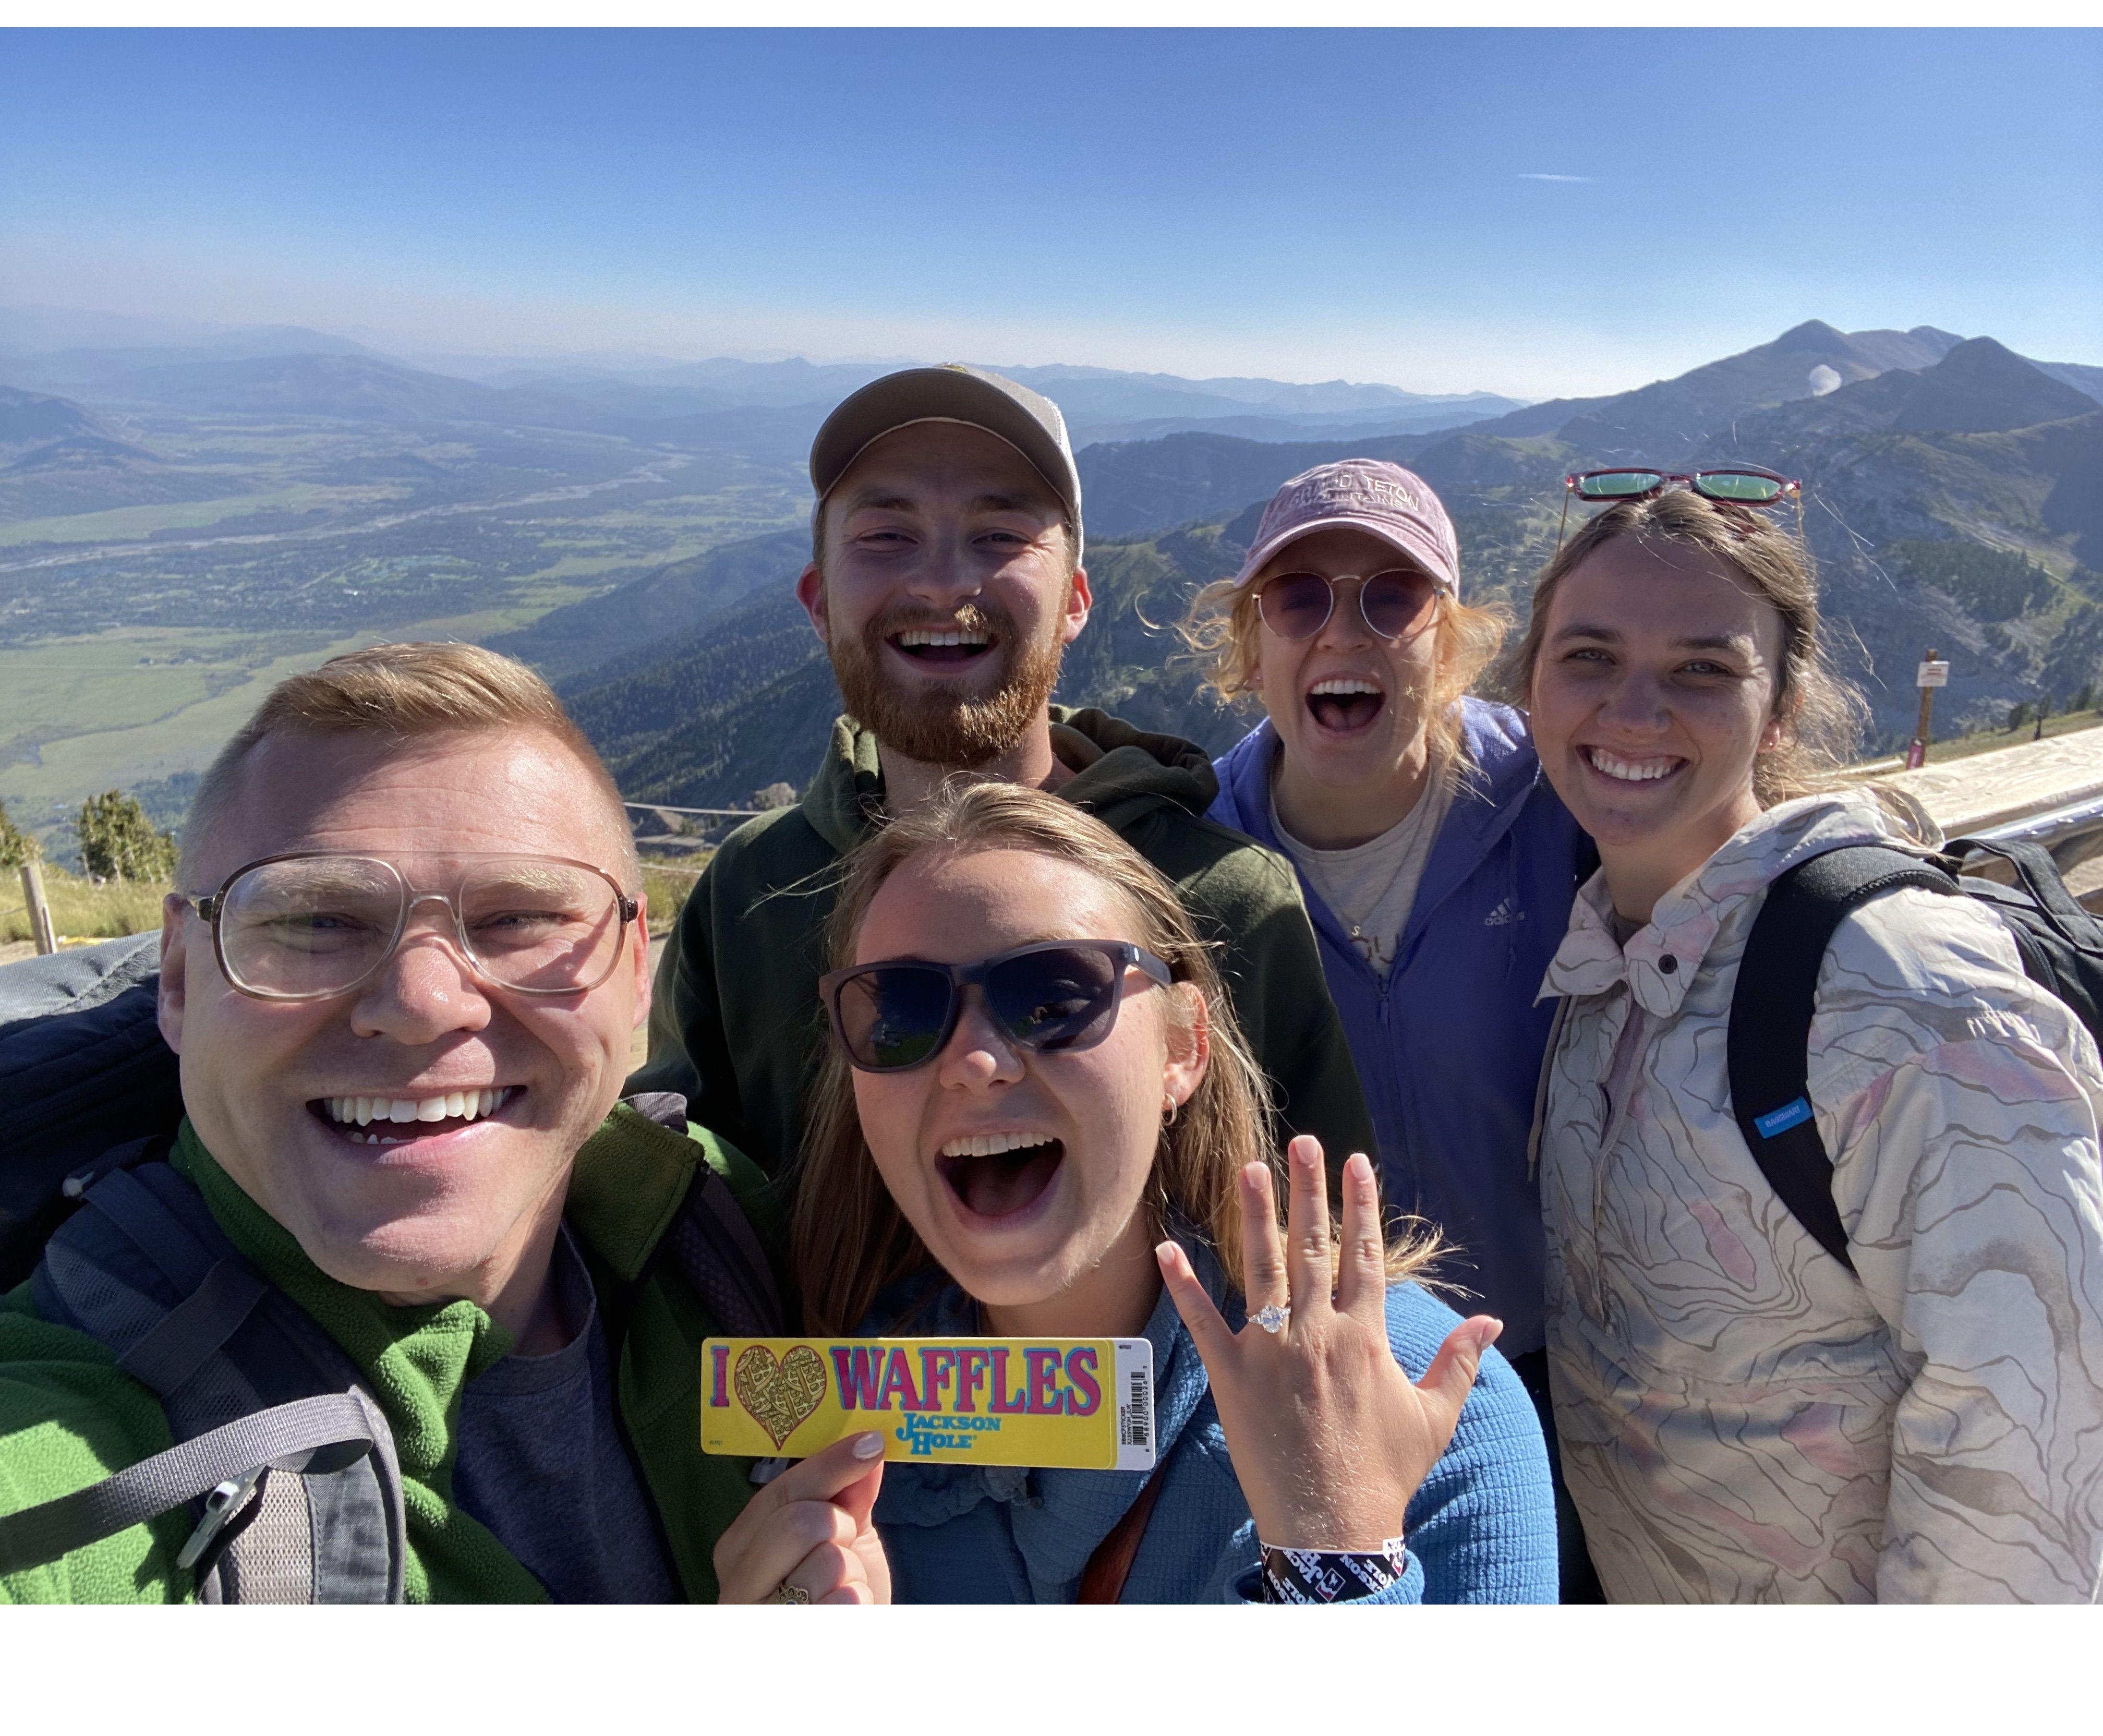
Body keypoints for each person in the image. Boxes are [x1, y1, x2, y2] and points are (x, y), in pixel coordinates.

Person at [0, 642, 865, 1605]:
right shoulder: (56, 1453)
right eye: (316, 918)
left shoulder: (716, 1219)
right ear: (178, 977)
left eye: (518, 918)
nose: (420, 1002)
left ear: (631, 979)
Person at [750, 780, 1557, 1605]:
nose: (975, 1061)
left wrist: (1337, 1548)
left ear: (1182, 1048)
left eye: (1054, 998)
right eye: (903, 1013)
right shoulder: (824, 1437)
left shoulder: (1426, 1399)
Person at [1514, 490, 2103, 1603]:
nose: (1634, 709)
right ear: (1531, 690)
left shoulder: (1902, 990)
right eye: (1589, 655)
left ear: (1780, 711)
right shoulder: (1605, 961)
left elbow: (2035, 1442)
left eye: (1702, 670)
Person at [634, 364, 1375, 1179]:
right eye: (886, 536)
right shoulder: (750, 891)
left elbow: (1326, 1236)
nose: (944, 581)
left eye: (1000, 536)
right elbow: (677, 1203)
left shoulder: (1228, 901)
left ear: (1075, 601)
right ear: (818, 602)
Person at [1192, 459, 1588, 1391]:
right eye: (1296, 599)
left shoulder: (1560, 795)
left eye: (1393, 597)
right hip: (1322, 1380)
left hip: (1564, 1360)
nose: (1342, 631)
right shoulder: (1193, 858)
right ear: (1253, 648)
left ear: (1446, 642)